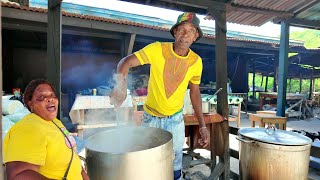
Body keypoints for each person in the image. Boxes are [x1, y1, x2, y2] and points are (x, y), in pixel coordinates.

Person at [110, 12, 214, 180]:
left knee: (175, 163)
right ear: (174, 32)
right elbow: (125, 62)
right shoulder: (157, 49)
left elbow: (195, 92)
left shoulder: (196, 62)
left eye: (191, 31)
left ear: (196, 36)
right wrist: (120, 86)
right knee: (148, 160)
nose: (185, 34)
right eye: (181, 29)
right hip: (150, 118)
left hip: (175, 119)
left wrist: (202, 126)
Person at [3, 79, 90, 180]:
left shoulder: (55, 122)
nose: (50, 99)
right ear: (30, 103)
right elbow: (18, 175)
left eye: (53, 95)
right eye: (42, 97)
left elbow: (72, 156)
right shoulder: (27, 128)